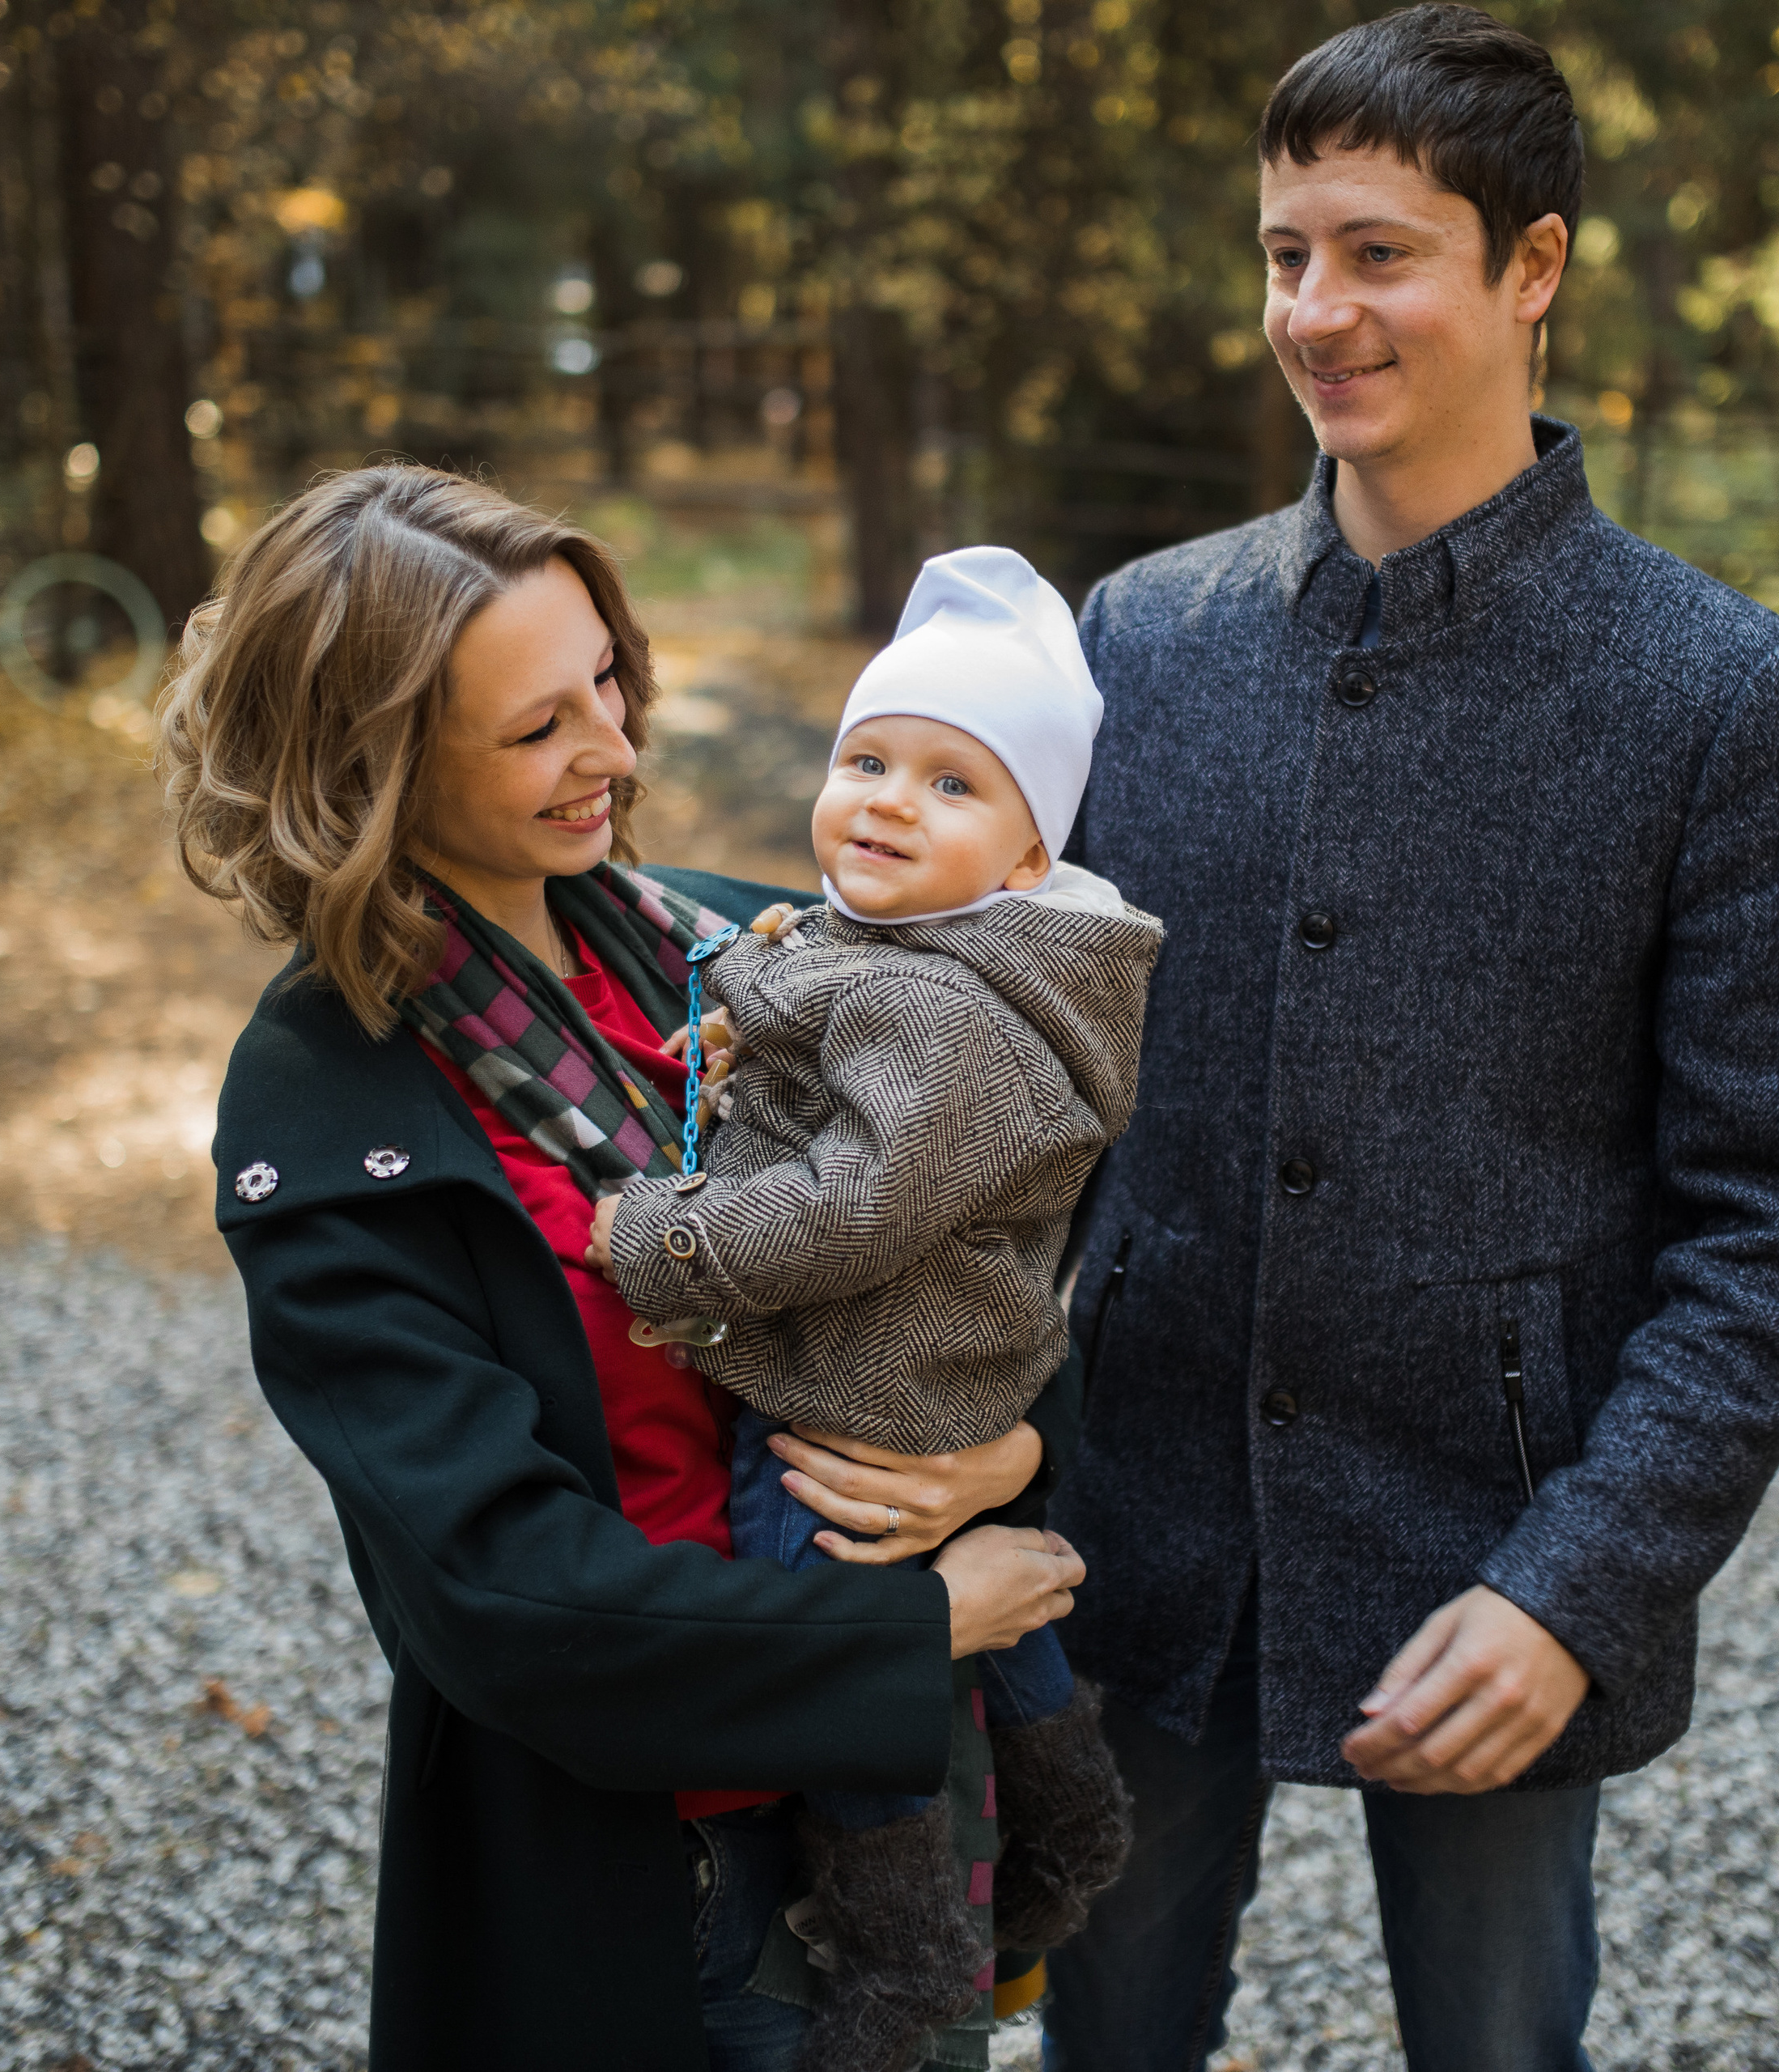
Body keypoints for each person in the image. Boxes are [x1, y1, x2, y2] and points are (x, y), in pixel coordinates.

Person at [1040, 9, 1779, 2070]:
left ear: (1531, 267)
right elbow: (1009, 1075)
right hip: (1135, 1515)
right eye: (1279, 254)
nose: (1312, 312)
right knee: (1098, 2030)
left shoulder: (1722, 699)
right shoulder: (1132, 639)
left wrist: (1574, 1585)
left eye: (1376, 252)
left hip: (1499, 1537)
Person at [156, 464, 1089, 2072]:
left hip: (916, 1797)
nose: (614, 747)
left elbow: (994, 1243)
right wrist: (917, 1619)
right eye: (536, 727)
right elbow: (501, 1594)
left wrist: (1014, 1448)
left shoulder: (739, 946)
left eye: (606, 678)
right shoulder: (332, 1113)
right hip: (672, 1877)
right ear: (366, 768)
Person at [586, 546, 1161, 2072]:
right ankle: (1071, 1807)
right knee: (1003, 1620)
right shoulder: (940, 954)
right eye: (868, 760)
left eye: (953, 785)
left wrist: (664, 1240)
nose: (891, 800)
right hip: (957, 1391)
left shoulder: (938, 1004)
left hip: (856, 1407)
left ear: (1031, 861)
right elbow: (830, 1026)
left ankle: (904, 1955)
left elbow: (859, 1206)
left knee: (854, 1643)